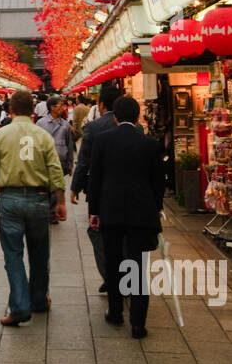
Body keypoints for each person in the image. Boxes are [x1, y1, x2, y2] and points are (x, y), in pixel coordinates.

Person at [0, 91, 66, 327]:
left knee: (13, 254)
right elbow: (55, 169)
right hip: (39, 199)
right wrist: (60, 200)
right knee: (40, 253)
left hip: (10, 199)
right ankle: (39, 299)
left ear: (10, 109)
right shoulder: (43, 135)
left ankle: (19, 306)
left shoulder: (0, 135)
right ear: (33, 110)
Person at [86, 96, 166, 339]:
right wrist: (155, 207)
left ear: (116, 117)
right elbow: (158, 183)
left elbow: (95, 178)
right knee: (138, 265)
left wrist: (94, 211)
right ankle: (138, 323)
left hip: (110, 211)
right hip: (141, 213)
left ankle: (116, 311)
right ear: (138, 116)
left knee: (113, 262)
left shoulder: (102, 141)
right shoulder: (150, 144)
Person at [71, 84, 121, 292]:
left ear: (101, 105)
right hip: (129, 193)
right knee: (124, 236)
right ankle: (125, 277)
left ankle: (110, 276)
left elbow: (84, 161)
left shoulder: (93, 127)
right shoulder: (135, 128)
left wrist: (75, 187)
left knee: (98, 232)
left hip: (100, 191)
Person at [36, 95, 75, 223]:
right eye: (60, 105)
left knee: (55, 187)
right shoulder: (41, 123)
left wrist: (70, 164)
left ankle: (52, 213)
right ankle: (48, 211)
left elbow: (69, 144)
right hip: (44, 160)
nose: (63, 108)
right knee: (46, 187)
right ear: (52, 107)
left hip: (60, 160)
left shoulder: (65, 125)